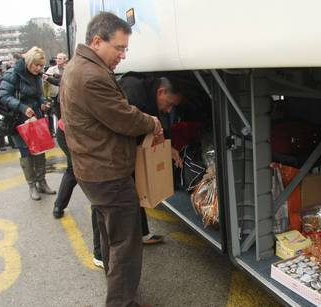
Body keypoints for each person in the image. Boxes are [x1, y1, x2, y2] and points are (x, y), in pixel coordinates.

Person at [60, 12, 161, 307]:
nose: (123, 55)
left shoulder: (79, 67)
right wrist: (152, 122)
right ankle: (121, 302)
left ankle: (117, 289)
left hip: (94, 170)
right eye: (119, 48)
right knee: (126, 245)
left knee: (110, 238)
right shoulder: (91, 76)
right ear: (96, 41)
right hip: (107, 173)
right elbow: (123, 118)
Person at [90, 76, 184, 266]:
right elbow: (124, 124)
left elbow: (156, 126)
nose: (169, 109)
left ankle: (142, 233)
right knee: (103, 201)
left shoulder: (152, 96)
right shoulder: (133, 93)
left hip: (129, 147)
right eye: (170, 104)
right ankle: (100, 252)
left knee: (136, 187)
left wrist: (168, 147)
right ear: (161, 92)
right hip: (107, 153)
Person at [0, 47, 56, 200]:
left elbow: (39, 95)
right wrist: (22, 107)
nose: (39, 68)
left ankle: (42, 182)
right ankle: (32, 185)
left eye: (41, 65)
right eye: (36, 65)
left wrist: (43, 103)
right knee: (26, 152)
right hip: (17, 119)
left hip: (35, 118)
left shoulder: (36, 75)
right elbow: (4, 96)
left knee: (40, 150)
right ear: (29, 63)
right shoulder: (13, 74)